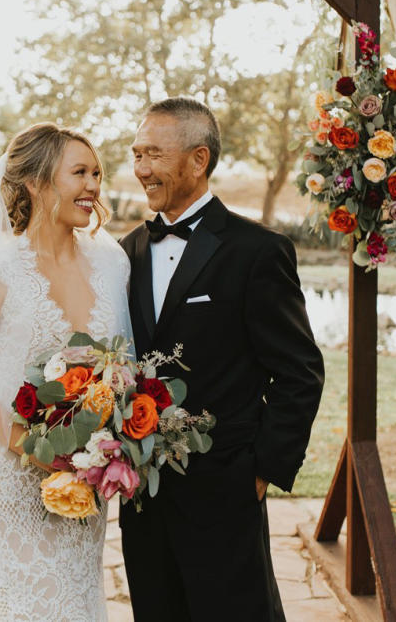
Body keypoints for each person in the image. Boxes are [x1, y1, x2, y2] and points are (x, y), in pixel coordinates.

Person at [119, 97, 324, 622]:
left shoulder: (257, 251)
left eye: (155, 155)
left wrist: (262, 471)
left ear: (198, 159)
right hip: (142, 493)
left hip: (225, 488)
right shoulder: (125, 251)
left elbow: (299, 370)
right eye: (137, 154)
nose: (142, 168)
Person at [0, 123, 133, 622]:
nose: (94, 187)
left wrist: (99, 451)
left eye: (97, 173)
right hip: (12, 478)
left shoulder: (112, 264)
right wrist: (40, 451)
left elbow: (122, 368)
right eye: (79, 172)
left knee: (79, 602)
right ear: (36, 183)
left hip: (86, 480)